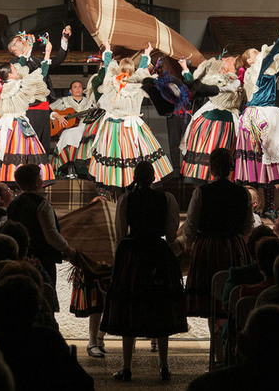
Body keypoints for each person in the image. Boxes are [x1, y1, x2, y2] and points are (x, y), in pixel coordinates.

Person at [101, 161, 187, 382]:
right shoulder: (166, 199)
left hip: (133, 255)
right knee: (161, 306)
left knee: (129, 306)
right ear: (153, 177)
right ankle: (164, 366)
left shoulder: (126, 200)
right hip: (158, 254)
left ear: (135, 177)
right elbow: (170, 234)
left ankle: (127, 367)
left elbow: (121, 235)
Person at [236, 20, 279, 218]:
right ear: (249, 61)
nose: (260, 54)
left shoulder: (268, 74)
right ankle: (250, 208)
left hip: (267, 118)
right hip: (256, 120)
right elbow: (271, 56)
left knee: (268, 167)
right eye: (255, 53)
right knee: (254, 167)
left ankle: (270, 208)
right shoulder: (254, 72)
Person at [88, 42, 173, 189]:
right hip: (133, 126)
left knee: (116, 157)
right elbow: (143, 70)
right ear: (132, 70)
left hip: (114, 127)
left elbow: (109, 69)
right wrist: (147, 53)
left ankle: (118, 186)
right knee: (136, 157)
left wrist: (108, 51)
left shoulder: (111, 83)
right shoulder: (138, 83)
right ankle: (136, 186)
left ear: (119, 69)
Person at [184, 148, 254, 317]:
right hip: (234, 246)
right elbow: (248, 225)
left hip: (208, 247)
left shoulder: (201, 192)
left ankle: (215, 338)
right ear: (230, 168)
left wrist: (188, 245)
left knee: (210, 300)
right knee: (232, 295)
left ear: (211, 168)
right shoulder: (243, 192)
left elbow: (191, 224)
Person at [0, 41, 55, 184]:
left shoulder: (4, 87)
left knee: (9, 155)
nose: (17, 70)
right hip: (17, 126)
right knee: (23, 154)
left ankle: (9, 183)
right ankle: (23, 184)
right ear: (9, 75)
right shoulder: (19, 85)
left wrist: (25, 53)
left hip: (5, 128)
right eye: (14, 70)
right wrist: (47, 56)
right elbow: (40, 75)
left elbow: (20, 67)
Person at [7, 26, 71, 163]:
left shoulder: (35, 60)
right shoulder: (13, 64)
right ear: (13, 48)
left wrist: (64, 40)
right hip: (29, 108)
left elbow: (58, 60)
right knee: (30, 144)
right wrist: (29, 50)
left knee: (43, 144)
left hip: (43, 106)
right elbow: (24, 70)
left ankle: (42, 176)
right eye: (19, 39)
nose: (23, 39)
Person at [6, 163, 76, 285]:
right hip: (42, 259)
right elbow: (51, 233)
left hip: (21, 257)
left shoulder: (13, 204)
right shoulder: (42, 204)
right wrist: (68, 249)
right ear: (37, 182)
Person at [178, 55, 244, 183]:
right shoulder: (219, 79)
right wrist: (185, 68)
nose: (226, 59)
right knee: (209, 156)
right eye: (228, 59)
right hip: (213, 120)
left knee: (221, 158)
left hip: (223, 123)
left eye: (229, 59)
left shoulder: (234, 81)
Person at [50, 78, 95, 178]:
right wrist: (58, 116)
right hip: (69, 129)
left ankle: (86, 167)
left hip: (85, 127)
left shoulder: (90, 102)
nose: (78, 89)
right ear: (70, 91)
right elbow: (49, 109)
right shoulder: (64, 101)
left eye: (80, 87)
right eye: (75, 87)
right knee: (68, 134)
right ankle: (69, 165)